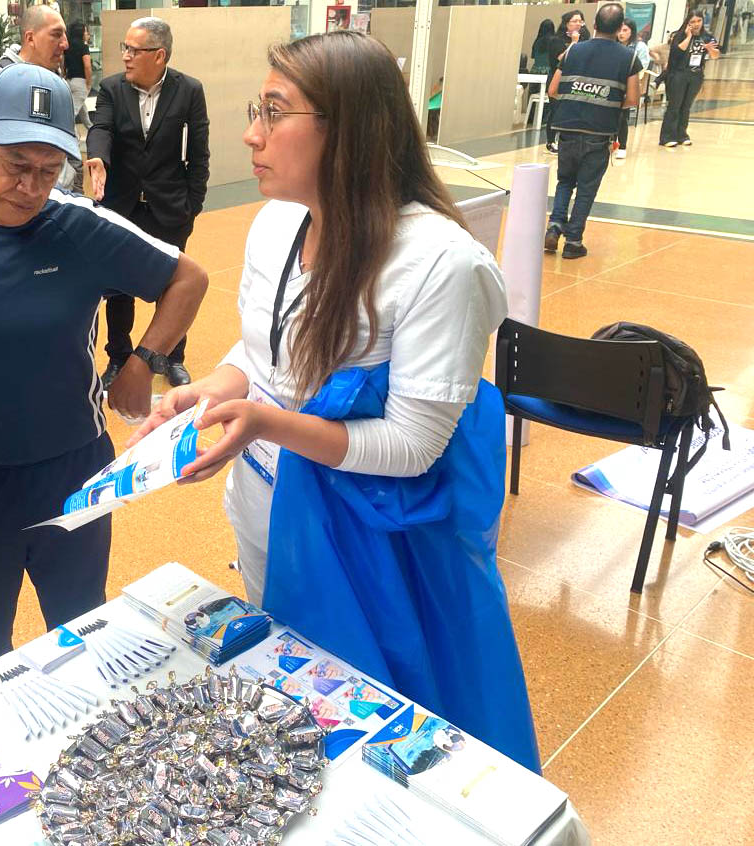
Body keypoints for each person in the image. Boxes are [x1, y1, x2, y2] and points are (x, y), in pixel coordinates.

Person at [128, 31, 540, 773]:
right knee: (295, 692)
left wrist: (267, 423)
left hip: (371, 541)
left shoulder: (439, 264)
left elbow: (413, 444)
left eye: (275, 112)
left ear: (347, 127)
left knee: (377, 721)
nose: (251, 134)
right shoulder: (277, 223)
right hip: (269, 512)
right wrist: (211, 392)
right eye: (256, 110)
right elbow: (265, 356)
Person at [0, 64, 208, 675]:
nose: (31, 187)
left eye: (49, 169)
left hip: (73, 473)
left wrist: (143, 361)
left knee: (82, 631)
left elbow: (187, 279)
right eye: (16, 165)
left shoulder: (78, 226)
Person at [85, 17, 210, 390]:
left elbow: (199, 153)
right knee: (118, 288)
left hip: (169, 207)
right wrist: (98, 157)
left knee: (174, 286)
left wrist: (192, 205)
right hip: (122, 206)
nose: (125, 56)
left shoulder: (189, 90)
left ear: (159, 55)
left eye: (133, 50)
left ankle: (172, 357)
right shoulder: (112, 88)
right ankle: (119, 357)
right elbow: (101, 128)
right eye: (124, 48)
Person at [545, 4, 640, 259]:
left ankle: (554, 225)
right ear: (620, 28)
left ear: (594, 25)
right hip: (600, 132)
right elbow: (633, 99)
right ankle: (573, 241)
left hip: (568, 128)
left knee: (565, 181)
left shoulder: (573, 50)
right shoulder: (629, 58)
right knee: (586, 188)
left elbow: (553, 90)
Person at [0, 4, 70, 180]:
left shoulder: (58, 84)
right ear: (30, 38)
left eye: (65, 35)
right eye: (56, 35)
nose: (65, 44)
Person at [659, 10, 721, 147]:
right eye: (693, 21)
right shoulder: (679, 35)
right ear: (687, 23)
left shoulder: (707, 37)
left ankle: (681, 135)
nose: (696, 24)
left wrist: (709, 49)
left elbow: (716, 55)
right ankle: (667, 137)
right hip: (679, 74)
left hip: (696, 75)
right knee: (674, 105)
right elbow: (677, 52)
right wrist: (688, 36)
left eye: (699, 21)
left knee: (686, 106)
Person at [544, 10, 590, 152]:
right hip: (557, 79)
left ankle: (567, 141)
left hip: (576, 80)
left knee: (572, 112)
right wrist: (574, 42)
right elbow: (561, 58)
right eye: (574, 21)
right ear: (566, 24)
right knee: (556, 111)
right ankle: (551, 141)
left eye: (580, 21)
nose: (578, 24)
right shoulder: (556, 40)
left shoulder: (585, 39)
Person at [615, 19, 651, 159]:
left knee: (622, 116)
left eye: (625, 30)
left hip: (628, 84)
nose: (621, 34)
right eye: (619, 30)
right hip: (613, 82)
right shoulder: (613, 44)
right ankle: (611, 142)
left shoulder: (639, 46)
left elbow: (642, 68)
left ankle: (622, 146)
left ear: (632, 31)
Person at [64, 21, 93, 133]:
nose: (87, 34)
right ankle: (73, 137)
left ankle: (91, 129)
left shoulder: (67, 46)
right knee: (72, 113)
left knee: (82, 110)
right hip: (81, 82)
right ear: (81, 33)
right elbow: (87, 66)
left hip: (69, 80)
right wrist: (89, 83)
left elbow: (63, 63)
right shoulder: (83, 47)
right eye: (85, 31)